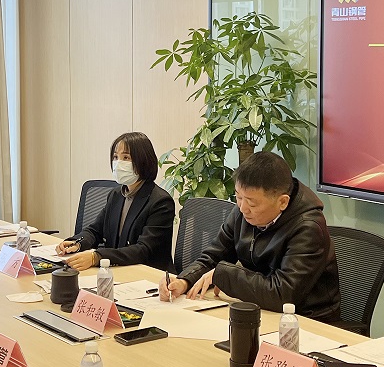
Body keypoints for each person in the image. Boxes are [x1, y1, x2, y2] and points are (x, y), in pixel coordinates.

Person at [160, 152, 341, 322]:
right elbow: (214, 257)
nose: (243, 208)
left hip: (306, 321)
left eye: (252, 204)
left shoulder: (308, 227)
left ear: (282, 202)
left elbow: (283, 294)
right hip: (260, 309)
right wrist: (184, 280)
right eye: (238, 197)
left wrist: (225, 275)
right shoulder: (242, 212)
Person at [55, 132, 174, 271]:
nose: (118, 163)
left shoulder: (160, 202)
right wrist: (77, 243)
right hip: (117, 270)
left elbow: (143, 250)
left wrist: (97, 257)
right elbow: (95, 230)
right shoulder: (116, 195)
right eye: (115, 157)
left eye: (126, 157)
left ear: (143, 161)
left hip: (149, 275)